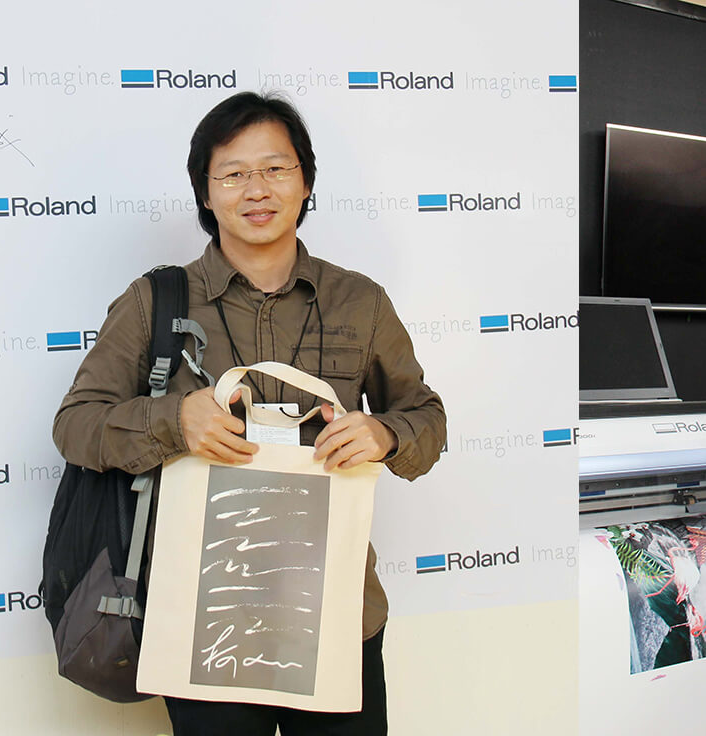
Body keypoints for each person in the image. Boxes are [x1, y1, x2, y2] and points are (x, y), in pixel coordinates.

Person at [53, 91, 446, 736]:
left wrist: (384, 431)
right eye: (232, 173)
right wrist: (174, 421)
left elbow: (426, 420)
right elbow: (75, 425)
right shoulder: (155, 301)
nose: (255, 189)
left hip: (335, 612)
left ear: (306, 181)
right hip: (203, 613)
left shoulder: (360, 301)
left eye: (275, 168)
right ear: (206, 194)